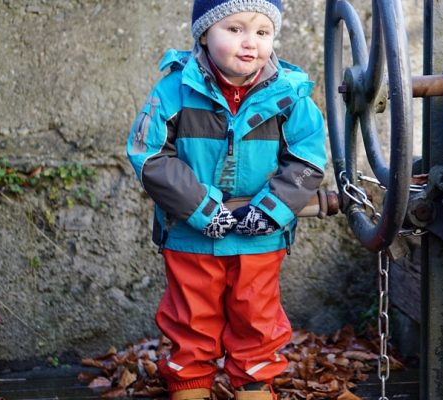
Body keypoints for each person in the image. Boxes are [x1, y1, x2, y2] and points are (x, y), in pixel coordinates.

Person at [126, 0, 326, 398]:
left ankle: (254, 385)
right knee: (191, 318)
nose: (250, 43)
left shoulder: (289, 95)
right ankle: (190, 384)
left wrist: (271, 210)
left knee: (257, 317)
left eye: (262, 32)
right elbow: (148, 154)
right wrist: (202, 209)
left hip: (259, 238)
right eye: (234, 29)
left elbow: (308, 158)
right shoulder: (175, 90)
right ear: (204, 33)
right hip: (191, 236)